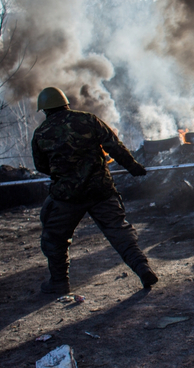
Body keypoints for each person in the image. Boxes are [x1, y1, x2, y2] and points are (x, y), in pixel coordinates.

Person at [31, 87, 157, 294]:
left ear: (45, 110)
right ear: (66, 104)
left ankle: (59, 282)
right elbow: (114, 146)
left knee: (54, 238)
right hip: (101, 190)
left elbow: (41, 166)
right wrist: (133, 167)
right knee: (119, 232)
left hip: (67, 196)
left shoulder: (41, 132)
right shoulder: (89, 120)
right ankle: (143, 269)